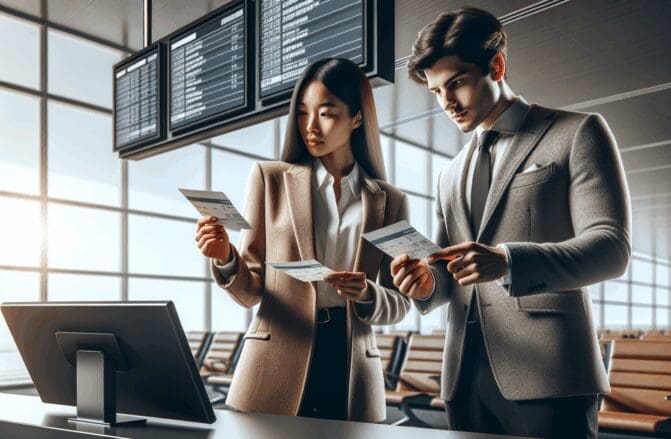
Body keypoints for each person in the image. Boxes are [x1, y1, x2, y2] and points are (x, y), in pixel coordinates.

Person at [391, 7, 631, 437]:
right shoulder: (449, 174)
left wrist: (507, 261)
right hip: (463, 379)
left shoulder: (577, 133)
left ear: (496, 66)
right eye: (436, 91)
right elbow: (449, 270)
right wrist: (426, 283)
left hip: (550, 376)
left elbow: (611, 248)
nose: (446, 102)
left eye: (457, 83)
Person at [195, 58, 411, 423]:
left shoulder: (390, 200)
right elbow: (250, 291)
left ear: (356, 118)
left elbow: (400, 301)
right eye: (302, 112)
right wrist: (225, 258)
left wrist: (368, 294)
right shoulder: (270, 179)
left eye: (326, 113)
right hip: (275, 361)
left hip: (351, 367)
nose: (310, 127)